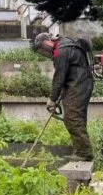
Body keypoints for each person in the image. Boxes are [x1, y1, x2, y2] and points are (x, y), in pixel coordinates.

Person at [32, 33, 94, 161]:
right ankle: (80, 149)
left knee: (72, 118)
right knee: (76, 118)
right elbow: (66, 74)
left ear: (48, 41)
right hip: (80, 83)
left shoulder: (61, 51)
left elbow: (59, 77)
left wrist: (52, 99)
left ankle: (84, 153)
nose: (44, 52)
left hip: (78, 85)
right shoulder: (66, 43)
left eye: (42, 48)